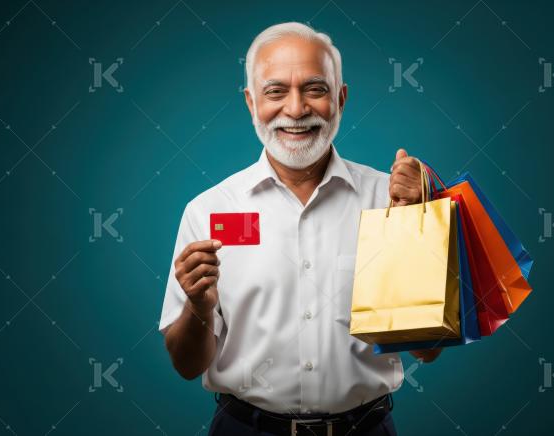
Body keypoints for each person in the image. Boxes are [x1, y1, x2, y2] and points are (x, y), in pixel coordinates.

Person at [159, 22, 441, 436]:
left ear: (340, 98)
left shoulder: (392, 200)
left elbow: (427, 350)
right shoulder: (208, 210)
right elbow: (186, 366)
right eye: (275, 91)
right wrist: (198, 307)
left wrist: (419, 223)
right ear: (251, 102)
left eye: (315, 89)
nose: (295, 109)